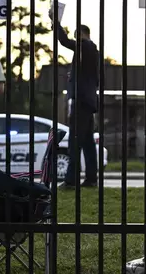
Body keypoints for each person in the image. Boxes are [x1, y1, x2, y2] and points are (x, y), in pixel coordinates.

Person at [50, 10, 100, 189]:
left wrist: (55, 22)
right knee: (87, 143)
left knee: (74, 142)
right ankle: (91, 179)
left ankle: (71, 181)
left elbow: (63, 41)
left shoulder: (85, 45)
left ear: (80, 34)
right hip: (89, 101)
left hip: (81, 101)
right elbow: (96, 79)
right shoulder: (94, 52)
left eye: (76, 36)